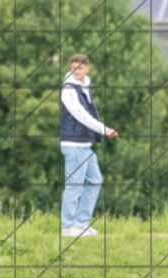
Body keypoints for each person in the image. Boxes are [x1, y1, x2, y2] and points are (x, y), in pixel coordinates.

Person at [60, 54, 118, 238]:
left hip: (85, 144)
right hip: (73, 144)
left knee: (95, 180)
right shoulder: (68, 89)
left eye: (80, 68)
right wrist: (104, 129)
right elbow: (80, 115)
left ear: (87, 68)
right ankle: (68, 227)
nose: (76, 71)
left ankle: (81, 223)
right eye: (73, 68)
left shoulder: (85, 85)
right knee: (74, 185)